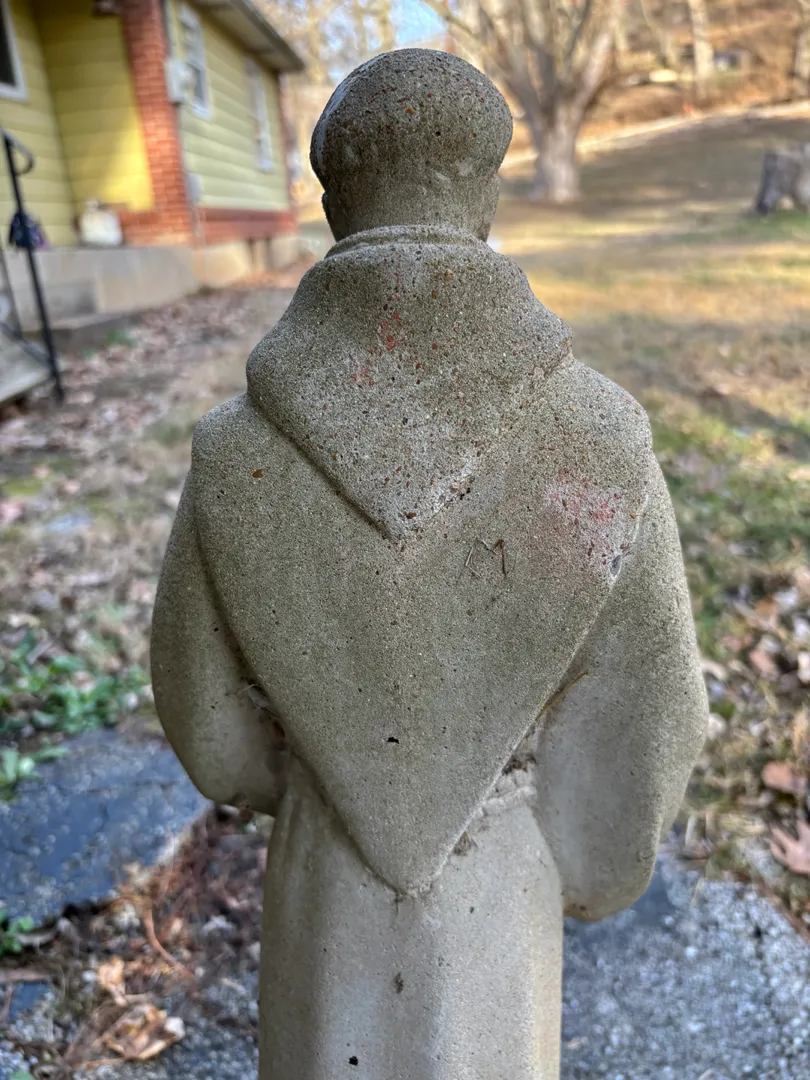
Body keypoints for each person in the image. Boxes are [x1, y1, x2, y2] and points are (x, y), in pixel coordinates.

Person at [152, 48, 707, 1080]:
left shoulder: (232, 453)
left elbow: (204, 716)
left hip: (322, 875)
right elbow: (650, 707)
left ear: (333, 204)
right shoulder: (601, 436)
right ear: (486, 194)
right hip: (502, 883)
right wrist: (587, 863)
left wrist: (308, 782)